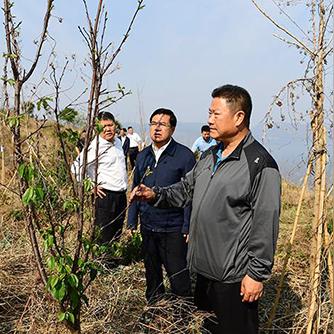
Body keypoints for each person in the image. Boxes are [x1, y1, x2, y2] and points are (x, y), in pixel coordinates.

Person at [130, 85, 281, 333]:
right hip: (204, 271)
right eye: (209, 113)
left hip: (233, 277)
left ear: (239, 117)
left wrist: (256, 274)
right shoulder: (210, 156)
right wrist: (155, 194)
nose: (209, 120)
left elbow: (266, 224)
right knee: (210, 327)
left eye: (215, 114)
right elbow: (185, 190)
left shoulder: (259, 164)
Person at [127, 108, 196, 303]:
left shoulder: (184, 156)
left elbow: (190, 194)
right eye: (153, 123)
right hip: (148, 225)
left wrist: (187, 225)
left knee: (178, 274)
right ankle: (155, 309)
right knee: (152, 272)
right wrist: (132, 220)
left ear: (172, 129)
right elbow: (136, 188)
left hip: (173, 227)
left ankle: (182, 313)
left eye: (162, 124)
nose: (157, 128)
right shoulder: (143, 156)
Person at [72, 112, 127, 246]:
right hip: (104, 196)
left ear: (115, 125)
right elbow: (76, 167)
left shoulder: (118, 142)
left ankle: (112, 263)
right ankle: (102, 263)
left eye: (110, 125)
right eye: (104, 126)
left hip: (121, 195)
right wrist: (90, 186)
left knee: (116, 231)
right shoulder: (94, 146)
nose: (108, 129)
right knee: (103, 233)